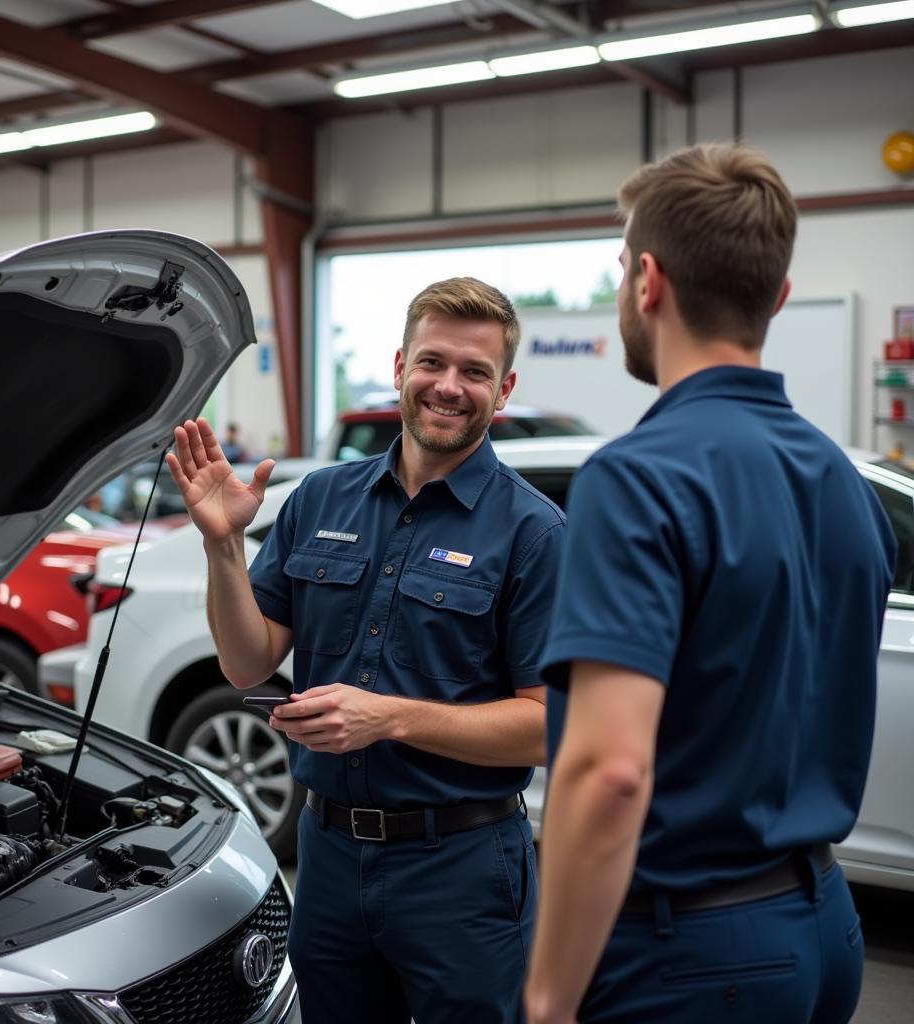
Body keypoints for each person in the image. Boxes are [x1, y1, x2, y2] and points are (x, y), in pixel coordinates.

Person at [523, 144, 897, 1024]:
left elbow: (610, 770)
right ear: (776, 297)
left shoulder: (638, 477)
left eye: (621, 267)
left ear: (647, 281)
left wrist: (546, 998)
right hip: (825, 932)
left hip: (686, 957)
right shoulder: (845, 484)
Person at [167, 277, 564, 1024]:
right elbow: (247, 663)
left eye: (474, 372)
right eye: (432, 362)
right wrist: (222, 548)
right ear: (398, 366)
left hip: (464, 870)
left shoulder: (533, 534)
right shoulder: (320, 499)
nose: (449, 387)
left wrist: (388, 719)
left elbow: (549, 727)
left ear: (503, 388)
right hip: (328, 858)